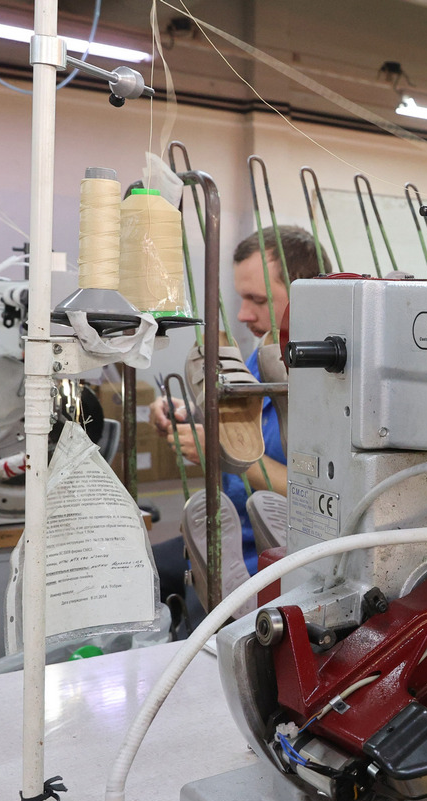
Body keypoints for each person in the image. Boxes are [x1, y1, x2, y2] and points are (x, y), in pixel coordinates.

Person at [150, 226, 328, 620]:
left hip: (276, 566)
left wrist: (228, 453)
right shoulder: (263, 352)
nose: (244, 314)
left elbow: (323, 491)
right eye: (242, 298)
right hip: (223, 538)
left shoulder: (329, 384)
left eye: (258, 300)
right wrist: (186, 412)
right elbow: (244, 423)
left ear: (309, 294)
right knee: (132, 572)